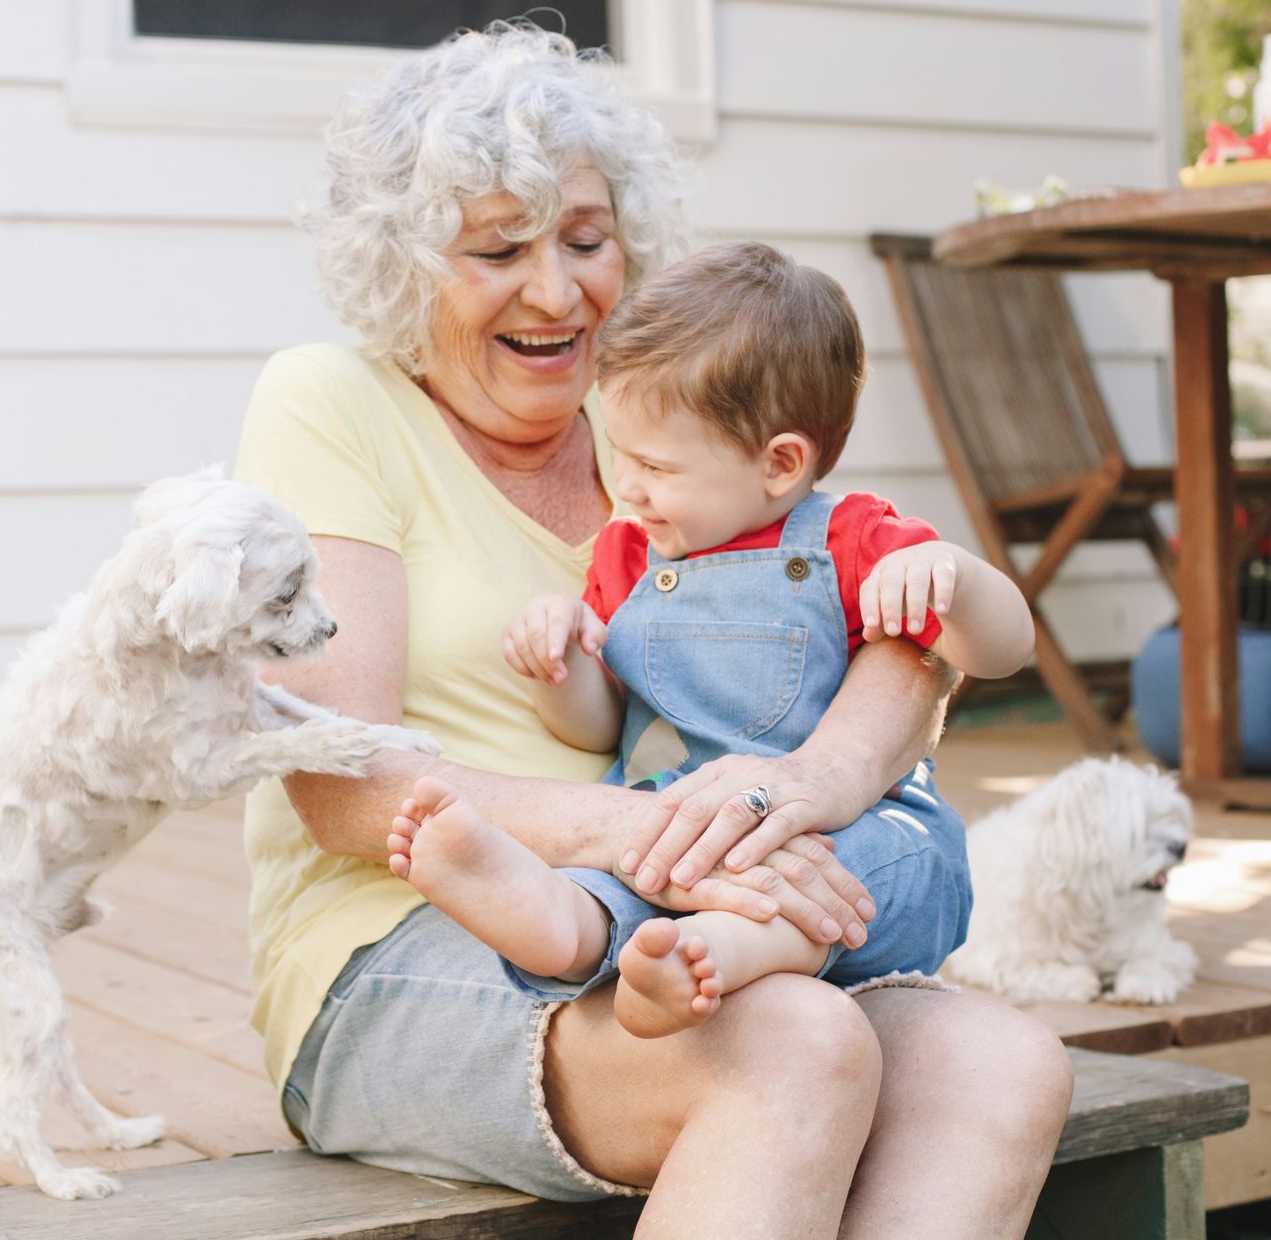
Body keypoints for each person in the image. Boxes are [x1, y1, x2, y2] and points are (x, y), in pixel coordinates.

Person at [233, 19, 1072, 1237]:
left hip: (692, 922)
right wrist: (671, 835)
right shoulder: (332, 400)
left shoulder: (669, 425)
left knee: (1005, 1065)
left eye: (586, 239)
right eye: (498, 249)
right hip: (408, 943)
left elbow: (902, 638)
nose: (557, 289)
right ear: (407, 265)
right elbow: (340, 778)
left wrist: (800, 785)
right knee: (793, 1040)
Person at [385, 242, 1035, 1039]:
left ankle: (713, 951)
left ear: (780, 464)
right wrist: (559, 665)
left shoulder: (855, 541)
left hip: (844, 834)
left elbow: (1004, 652)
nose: (626, 484)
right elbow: (595, 727)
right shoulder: (629, 555)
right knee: (635, 864)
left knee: (889, 867)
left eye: (655, 465)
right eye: (620, 452)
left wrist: (957, 579)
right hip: (680, 827)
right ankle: (562, 922)